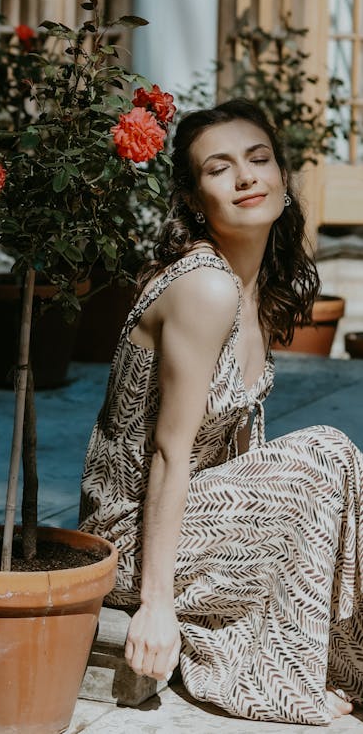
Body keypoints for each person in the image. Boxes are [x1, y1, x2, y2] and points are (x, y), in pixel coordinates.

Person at [79, 98, 363, 724]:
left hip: (200, 517)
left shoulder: (256, 285)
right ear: (192, 198)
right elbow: (167, 452)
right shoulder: (204, 286)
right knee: (323, 454)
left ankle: (340, 663)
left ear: (284, 181)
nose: (246, 177)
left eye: (259, 159)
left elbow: (236, 450)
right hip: (129, 540)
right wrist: (155, 605)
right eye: (220, 167)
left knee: (337, 465)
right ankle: (281, 682)